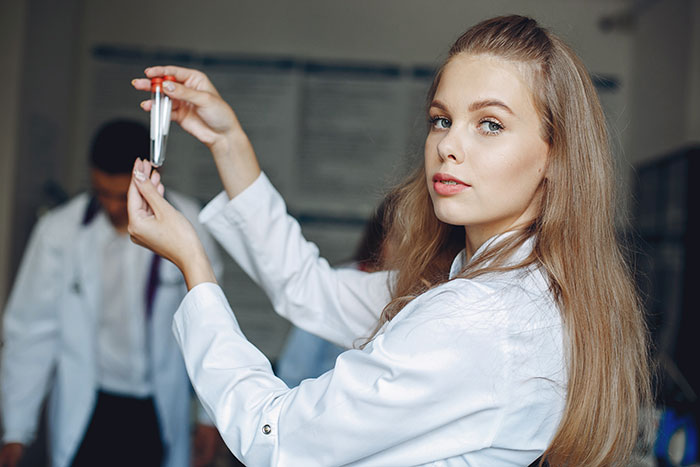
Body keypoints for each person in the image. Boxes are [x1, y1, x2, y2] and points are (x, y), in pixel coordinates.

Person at [127, 15, 652, 466]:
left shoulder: (476, 318)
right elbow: (309, 289)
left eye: (489, 124)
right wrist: (227, 141)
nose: (449, 144)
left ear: (555, 157)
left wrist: (193, 266)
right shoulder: (504, 287)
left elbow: (275, 438)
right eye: (442, 119)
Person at [0, 120, 224, 467]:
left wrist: (209, 418)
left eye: (122, 196)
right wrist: (16, 429)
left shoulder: (187, 223)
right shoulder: (59, 232)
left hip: (155, 405)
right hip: (89, 406)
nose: (113, 207)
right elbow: (31, 333)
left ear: (151, 175)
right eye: (101, 193)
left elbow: (212, 327)